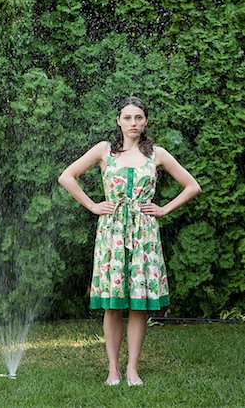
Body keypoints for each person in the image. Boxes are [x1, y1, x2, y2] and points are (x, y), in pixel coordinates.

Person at [58, 96, 202, 387]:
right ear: (118, 121)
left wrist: (163, 209)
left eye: (138, 118)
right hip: (112, 232)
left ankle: (132, 369)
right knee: (113, 304)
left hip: (144, 235)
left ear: (145, 121)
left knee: (139, 303)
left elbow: (192, 186)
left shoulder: (157, 154)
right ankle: (113, 369)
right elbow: (67, 177)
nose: (133, 123)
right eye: (127, 118)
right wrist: (93, 205)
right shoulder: (104, 150)